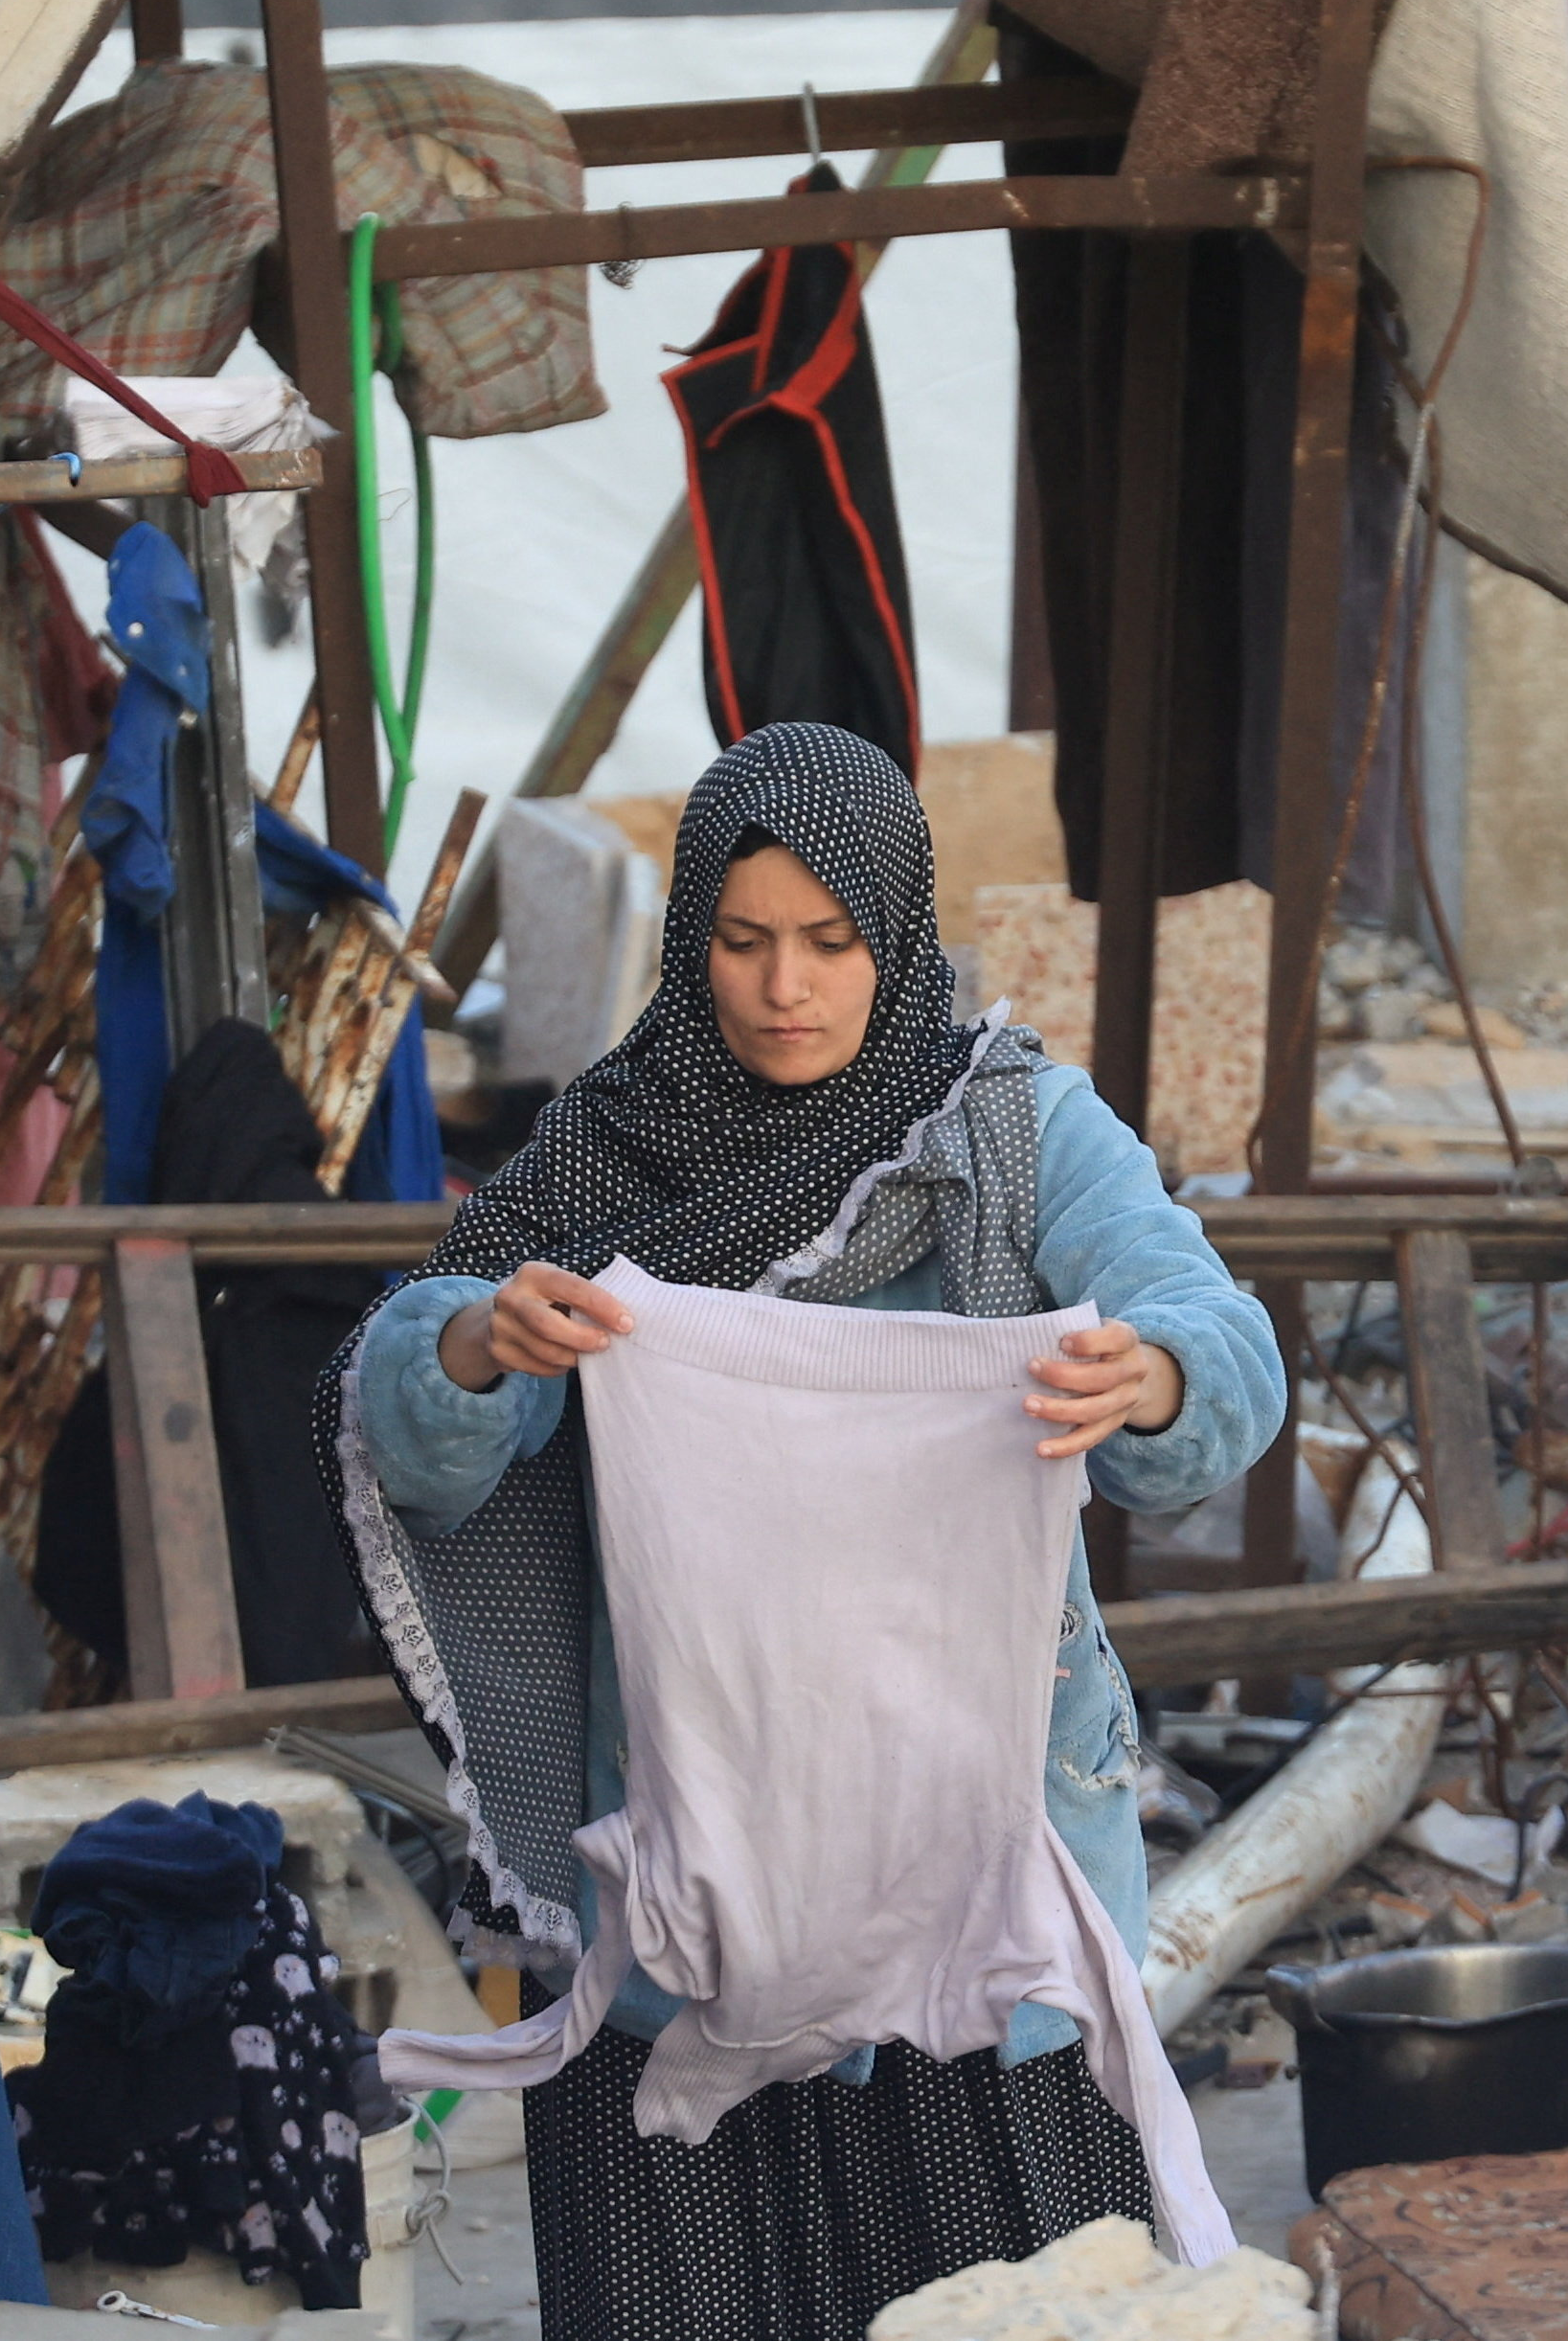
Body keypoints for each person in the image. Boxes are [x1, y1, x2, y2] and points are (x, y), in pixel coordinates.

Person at [330, 721, 1281, 2340]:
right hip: (705, 1875)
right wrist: (475, 1345)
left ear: (896, 933)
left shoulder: (1009, 1132)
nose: (786, 986)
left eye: (831, 942)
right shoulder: (608, 1149)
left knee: (1028, 2302)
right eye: (743, 938)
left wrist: (1159, 1366)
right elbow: (417, 1411)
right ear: (692, 936)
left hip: (983, 1883)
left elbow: (1211, 1318)